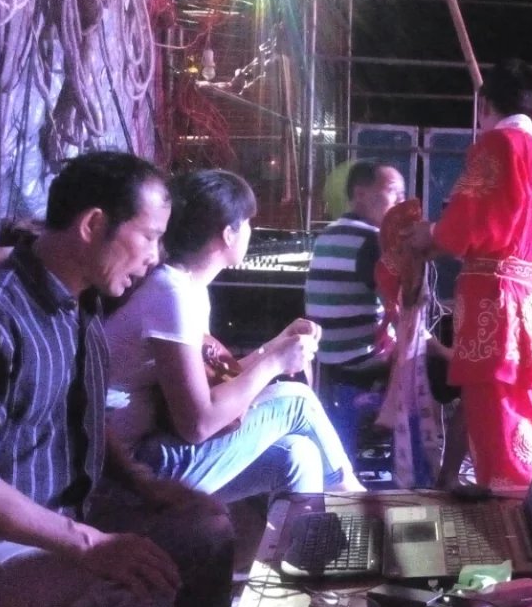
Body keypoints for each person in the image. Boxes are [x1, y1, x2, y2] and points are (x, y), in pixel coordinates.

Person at [0, 151, 234, 607]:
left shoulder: (81, 306)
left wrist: (144, 484)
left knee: (207, 530)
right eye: (149, 236)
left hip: (65, 521)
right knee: (135, 584)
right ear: (93, 225)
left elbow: (84, 420)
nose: (155, 257)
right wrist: (90, 544)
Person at [103, 168, 363, 502]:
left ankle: (307, 534)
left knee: (299, 454)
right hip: (131, 469)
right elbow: (198, 423)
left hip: (154, 451)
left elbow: (217, 381)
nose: (251, 230)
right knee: (297, 401)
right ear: (228, 234)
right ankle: (358, 502)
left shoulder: (185, 288)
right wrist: (275, 364)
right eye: (248, 222)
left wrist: (276, 347)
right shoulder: (171, 295)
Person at [408, 58, 532, 487]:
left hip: (492, 303)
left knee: (496, 421)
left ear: (483, 105)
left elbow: (462, 227)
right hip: (527, 305)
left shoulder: (497, 147)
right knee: (513, 409)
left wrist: (430, 233)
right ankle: (513, 499)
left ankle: (510, 511)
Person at [305, 161, 406, 451]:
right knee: (425, 356)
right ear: (360, 194)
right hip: (362, 357)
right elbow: (401, 314)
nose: (401, 202)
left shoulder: (327, 235)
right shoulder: (372, 240)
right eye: (393, 192)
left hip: (327, 357)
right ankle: (398, 433)